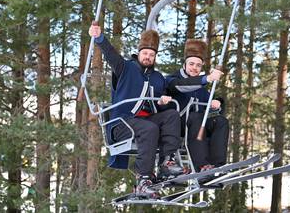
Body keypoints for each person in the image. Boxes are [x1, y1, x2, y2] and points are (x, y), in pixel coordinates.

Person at [88, 24, 184, 198]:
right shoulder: (125, 68)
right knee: (150, 128)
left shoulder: (157, 78)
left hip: (146, 121)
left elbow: (159, 102)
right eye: (145, 53)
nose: (148, 57)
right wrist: (99, 37)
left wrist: (163, 101)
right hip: (122, 123)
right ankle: (143, 179)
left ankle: (166, 162)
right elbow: (110, 54)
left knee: (171, 115)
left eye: (152, 54)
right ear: (139, 53)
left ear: (155, 57)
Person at [166, 39, 229, 176]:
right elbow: (182, 86)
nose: (194, 68)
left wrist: (216, 103)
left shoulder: (201, 89)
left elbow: (210, 105)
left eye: (198, 65)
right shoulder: (173, 80)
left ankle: (217, 165)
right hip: (178, 126)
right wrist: (206, 79)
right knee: (195, 117)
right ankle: (202, 166)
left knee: (220, 121)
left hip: (197, 125)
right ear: (185, 64)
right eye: (191, 64)